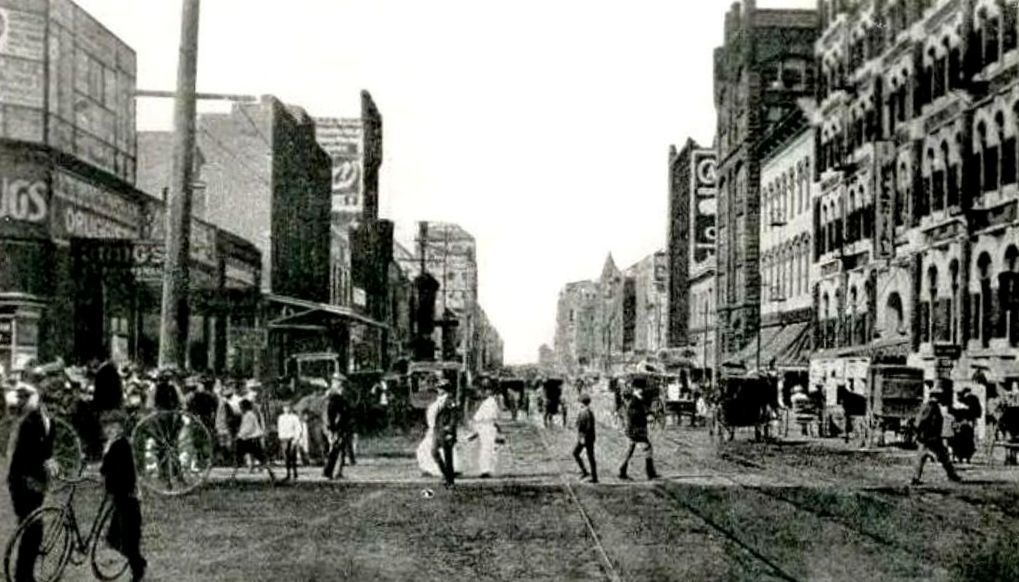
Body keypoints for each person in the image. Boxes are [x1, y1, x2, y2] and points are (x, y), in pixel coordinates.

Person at [6, 382, 57, 582]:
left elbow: (47, 450)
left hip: (36, 482)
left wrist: (50, 461)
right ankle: (23, 575)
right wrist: (45, 462)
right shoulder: (28, 422)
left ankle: (24, 573)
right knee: (33, 528)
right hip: (23, 481)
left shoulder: (49, 423)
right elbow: (26, 455)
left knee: (32, 529)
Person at [99, 411, 147, 582]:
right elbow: (105, 470)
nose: (109, 430)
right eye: (107, 427)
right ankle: (137, 563)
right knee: (113, 538)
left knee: (128, 541)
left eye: (113, 426)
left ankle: (138, 568)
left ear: (120, 428)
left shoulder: (122, 445)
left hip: (127, 497)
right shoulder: (112, 445)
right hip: (119, 497)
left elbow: (124, 471)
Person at [912, 384, 961, 486]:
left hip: (927, 437)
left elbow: (918, 421)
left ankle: (916, 478)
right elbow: (921, 421)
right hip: (930, 437)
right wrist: (919, 432)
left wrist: (918, 433)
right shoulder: (931, 407)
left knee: (922, 458)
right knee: (942, 457)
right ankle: (952, 475)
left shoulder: (929, 406)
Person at [618, 385, 658, 481]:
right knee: (647, 449)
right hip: (636, 431)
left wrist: (648, 414)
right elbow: (636, 416)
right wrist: (647, 417)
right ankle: (650, 473)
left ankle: (622, 471)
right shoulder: (635, 402)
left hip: (632, 431)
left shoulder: (634, 402)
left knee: (630, 451)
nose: (641, 391)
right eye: (639, 390)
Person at [231, 399, 275, 482]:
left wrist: (238, 435)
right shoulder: (247, 415)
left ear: (244, 407)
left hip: (250, 440)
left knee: (259, 458)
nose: (240, 409)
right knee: (259, 458)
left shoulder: (249, 415)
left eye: (241, 407)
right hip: (248, 439)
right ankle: (233, 476)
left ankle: (272, 474)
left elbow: (248, 429)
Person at [322, 375, 352, 480]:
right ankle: (329, 472)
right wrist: (331, 429)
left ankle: (336, 471)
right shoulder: (334, 397)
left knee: (339, 449)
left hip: (340, 426)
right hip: (337, 427)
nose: (342, 387)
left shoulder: (337, 397)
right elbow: (331, 414)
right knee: (335, 449)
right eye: (340, 383)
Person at [431, 379, 459, 487]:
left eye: (440, 388)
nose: (438, 390)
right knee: (433, 452)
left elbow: (454, 417)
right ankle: (446, 474)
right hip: (437, 430)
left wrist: (450, 430)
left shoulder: (450, 401)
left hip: (446, 431)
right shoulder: (439, 400)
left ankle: (450, 481)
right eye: (438, 388)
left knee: (448, 457)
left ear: (445, 389)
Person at [471, 381, 501, 478]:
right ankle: (486, 469)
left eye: (484, 390)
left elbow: (489, 417)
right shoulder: (487, 402)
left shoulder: (490, 402)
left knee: (487, 448)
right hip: (484, 427)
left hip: (487, 427)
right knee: (486, 448)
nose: (482, 393)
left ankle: (486, 469)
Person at [573, 393, 598, 483]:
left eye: (579, 402)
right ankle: (589, 474)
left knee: (579, 454)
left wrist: (583, 437)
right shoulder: (586, 411)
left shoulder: (585, 412)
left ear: (582, 402)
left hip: (586, 438)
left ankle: (592, 476)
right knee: (587, 455)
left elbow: (588, 426)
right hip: (586, 437)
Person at [276, 403, 303, 482]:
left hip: (292, 437)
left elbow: (298, 428)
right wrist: (280, 436)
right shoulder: (281, 418)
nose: (286, 409)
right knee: (286, 456)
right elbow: (280, 427)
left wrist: (296, 438)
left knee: (292, 455)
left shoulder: (294, 417)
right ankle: (288, 473)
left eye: (288, 407)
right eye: (285, 407)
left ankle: (295, 471)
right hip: (284, 438)